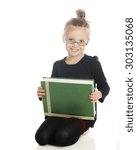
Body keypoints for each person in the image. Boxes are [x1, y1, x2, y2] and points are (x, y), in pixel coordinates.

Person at [35, 9, 110, 146]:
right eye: (71, 40)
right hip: (60, 114)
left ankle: (79, 129)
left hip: (81, 116)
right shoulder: (57, 65)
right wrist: (42, 93)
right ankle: (61, 128)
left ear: (87, 42)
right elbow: (53, 91)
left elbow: (105, 86)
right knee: (41, 138)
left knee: (62, 137)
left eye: (81, 41)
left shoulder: (92, 63)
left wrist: (99, 94)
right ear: (64, 39)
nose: (75, 45)